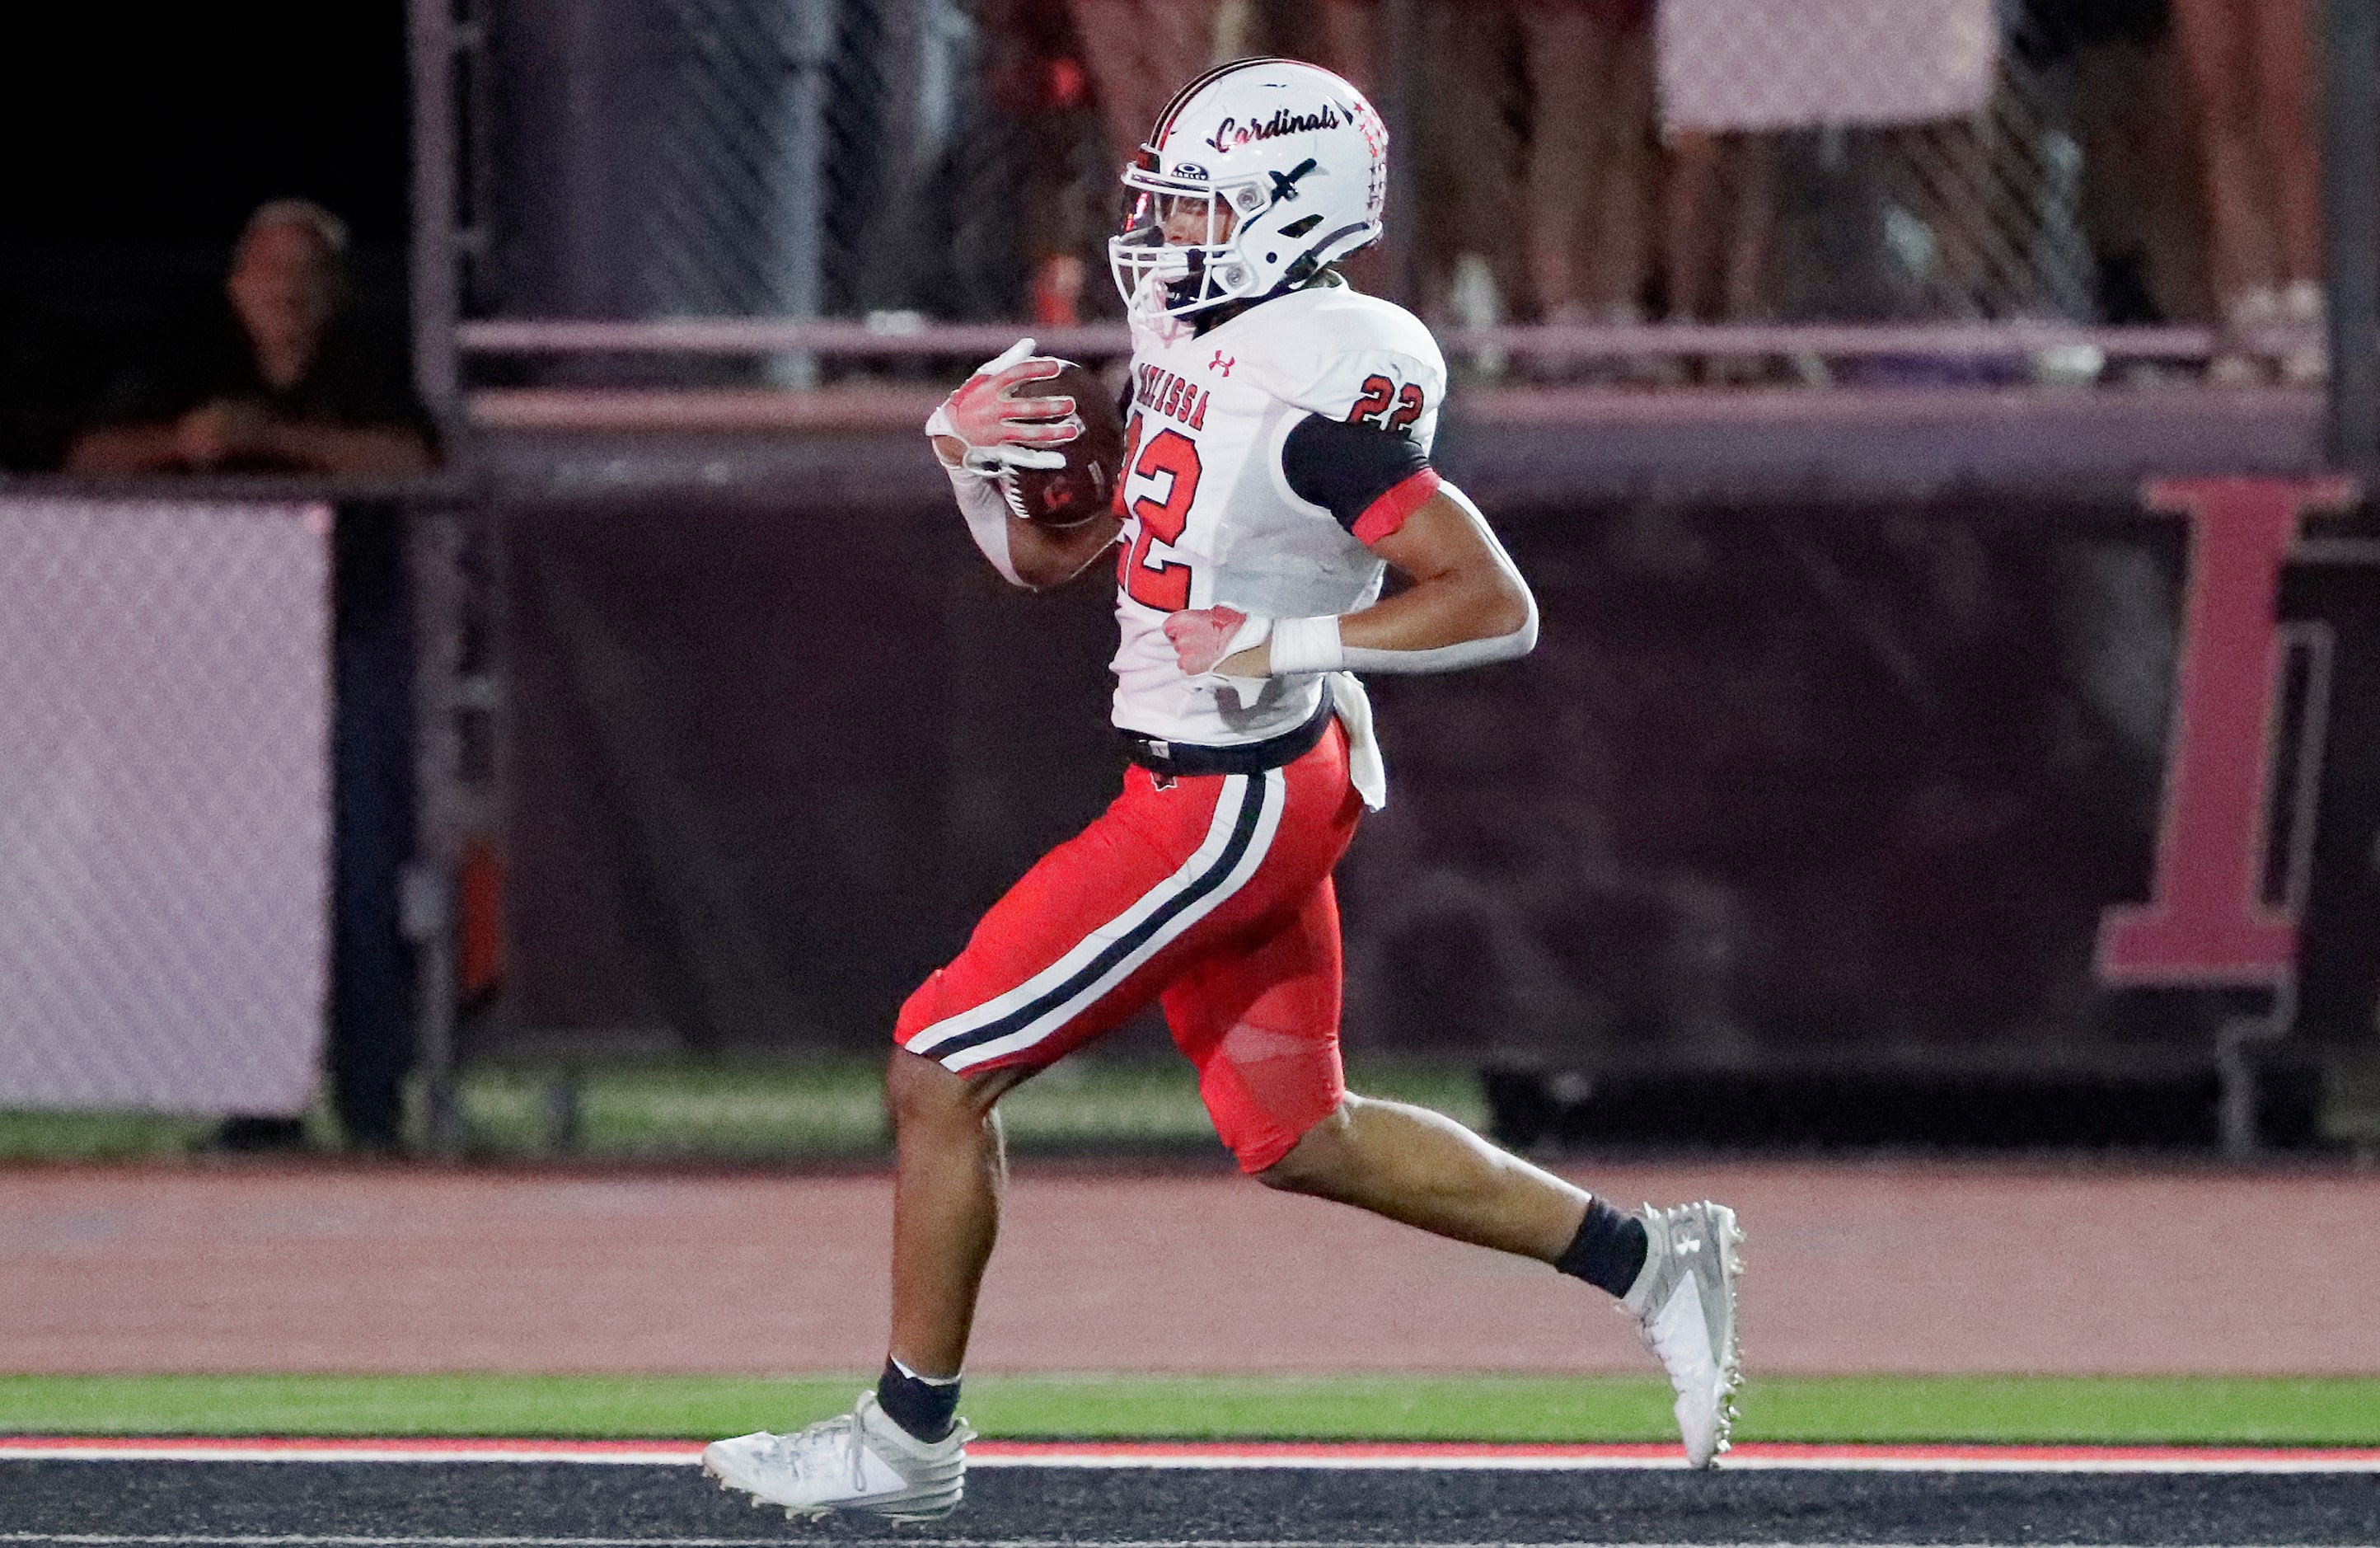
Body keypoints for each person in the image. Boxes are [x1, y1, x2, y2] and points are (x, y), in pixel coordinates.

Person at [700, 59, 1742, 1521]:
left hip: (1226, 792)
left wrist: (1283, 632)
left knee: (937, 1068)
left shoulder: (1315, 379)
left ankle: (905, 1435)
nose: (1159, 234)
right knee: (1297, 1132)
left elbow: (1489, 599)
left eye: (1193, 206)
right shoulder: (1203, 331)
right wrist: (968, 463)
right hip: (1259, 767)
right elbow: (1064, 562)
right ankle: (1645, 1257)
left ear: (1286, 212)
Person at [65, 199, 431, 475]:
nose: (288, 286)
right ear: (237, 287)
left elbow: (412, 458)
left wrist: (271, 437)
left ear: (338, 291)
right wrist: (184, 440)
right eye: (271, 268)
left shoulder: (368, 361)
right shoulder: (185, 357)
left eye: (309, 271)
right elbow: (88, 456)